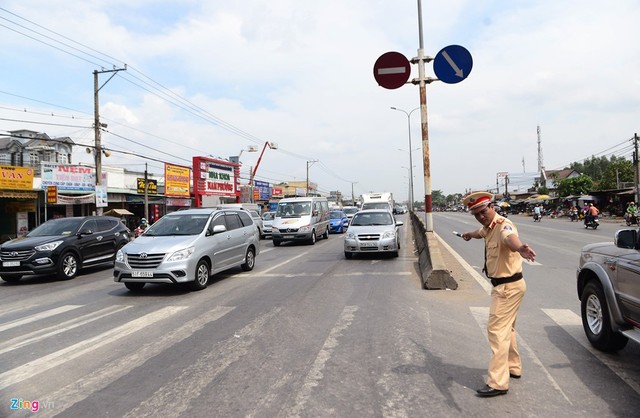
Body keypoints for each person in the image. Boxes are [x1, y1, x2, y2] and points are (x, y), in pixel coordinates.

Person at [460, 191, 536, 398]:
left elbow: (510, 238)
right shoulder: (488, 228)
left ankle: (498, 382)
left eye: (483, 212)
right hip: (509, 286)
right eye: (476, 214)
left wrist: (520, 248)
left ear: (491, 207)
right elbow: (480, 232)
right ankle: (513, 367)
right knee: (508, 329)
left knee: (496, 331)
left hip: (507, 288)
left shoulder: (503, 225)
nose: (481, 216)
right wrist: (468, 234)